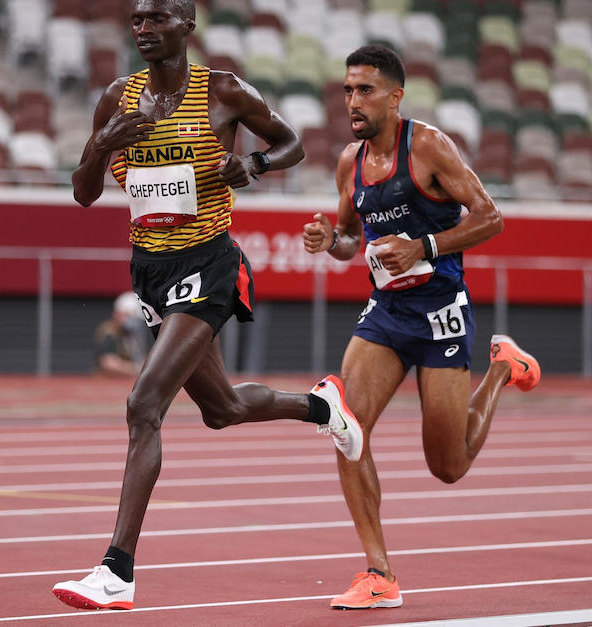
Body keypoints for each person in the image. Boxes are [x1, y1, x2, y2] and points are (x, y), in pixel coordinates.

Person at [51, 0, 363, 610]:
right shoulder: (117, 97)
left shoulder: (221, 91)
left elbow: (292, 143)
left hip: (208, 265)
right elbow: (85, 194)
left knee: (145, 403)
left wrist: (251, 163)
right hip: (149, 269)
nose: (143, 28)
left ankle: (117, 571)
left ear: (186, 24)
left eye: (157, 18)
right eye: (136, 19)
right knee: (219, 409)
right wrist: (100, 142)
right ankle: (320, 406)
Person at [302, 44, 541, 610]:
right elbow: (347, 240)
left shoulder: (428, 145)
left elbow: (491, 218)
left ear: (395, 94)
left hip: (441, 313)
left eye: (364, 90)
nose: (352, 101)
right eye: (347, 90)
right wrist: (326, 242)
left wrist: (424, 246)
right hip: (386, 314)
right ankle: (379, 572)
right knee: (346, 427)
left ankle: (502, 369)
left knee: (449, 466)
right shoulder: (349, 161)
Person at [93, 291, 152, 377]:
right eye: (127, 316)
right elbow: (108, 363)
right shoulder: (109, 332)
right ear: (117, 314)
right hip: (107, 383)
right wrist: (137, 369)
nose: (133, 321)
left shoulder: (139, 334)